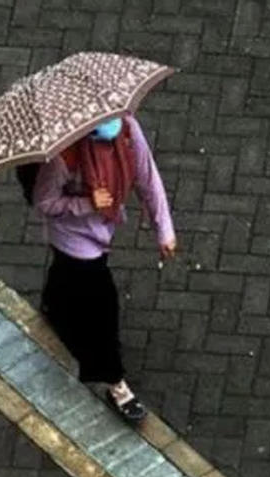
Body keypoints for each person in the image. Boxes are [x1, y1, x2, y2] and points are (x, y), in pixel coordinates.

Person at [32, 113, 177, 424]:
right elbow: (45, 203)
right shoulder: (62, 157)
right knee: (103, 309)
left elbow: (147, 176)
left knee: (66, 276)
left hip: (102, 230)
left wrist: (163, 228)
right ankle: (116, 383)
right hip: (75, 239)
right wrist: (87, 203)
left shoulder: (126, 130)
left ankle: (54, 304)